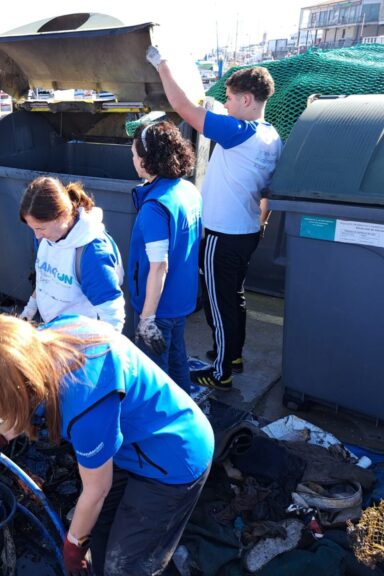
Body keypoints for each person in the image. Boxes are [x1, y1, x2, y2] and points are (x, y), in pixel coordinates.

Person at [0, 314, 213, 576]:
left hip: (173, 457)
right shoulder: (49, 337)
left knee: (126, 566)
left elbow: (97, 490)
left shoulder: (84, 403)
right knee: (101, 535)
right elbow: (28, 396)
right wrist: (1, 434)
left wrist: (73, 545)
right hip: (130, 447)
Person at [147, 47, 283, 390]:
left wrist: (162, 64)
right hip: (249, 230)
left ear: (248, 99)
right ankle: (232, 354)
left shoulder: (240, 132)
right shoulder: (271, 135)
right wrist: (262, 222)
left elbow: (182, 109)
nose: (227, 105)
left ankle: (221, 372)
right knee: (234, 298)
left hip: (223, 235)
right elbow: (268, 190)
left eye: (231, 99)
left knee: (219, 305)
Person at [129, 121, 202, 393]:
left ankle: (160, 430)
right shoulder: (189, 191)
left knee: (154, 378)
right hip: (181, 300)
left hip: (157, 308)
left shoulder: (155, 207)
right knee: (177, 360)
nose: (134, 160)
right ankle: (185, 415)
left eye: (135, 155)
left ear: (148, 160)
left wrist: (147, 318)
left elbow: (159, 266)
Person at [18, 176, 125, 332]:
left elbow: (113, 319)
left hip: (83, 342)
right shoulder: (45, 238)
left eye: (40, 228)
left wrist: (99, 354)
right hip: (54, 333)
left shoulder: (92, 253)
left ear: (62, 215)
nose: (37, 236)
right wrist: (28, 312)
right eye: (32, 228)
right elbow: (44, 278)